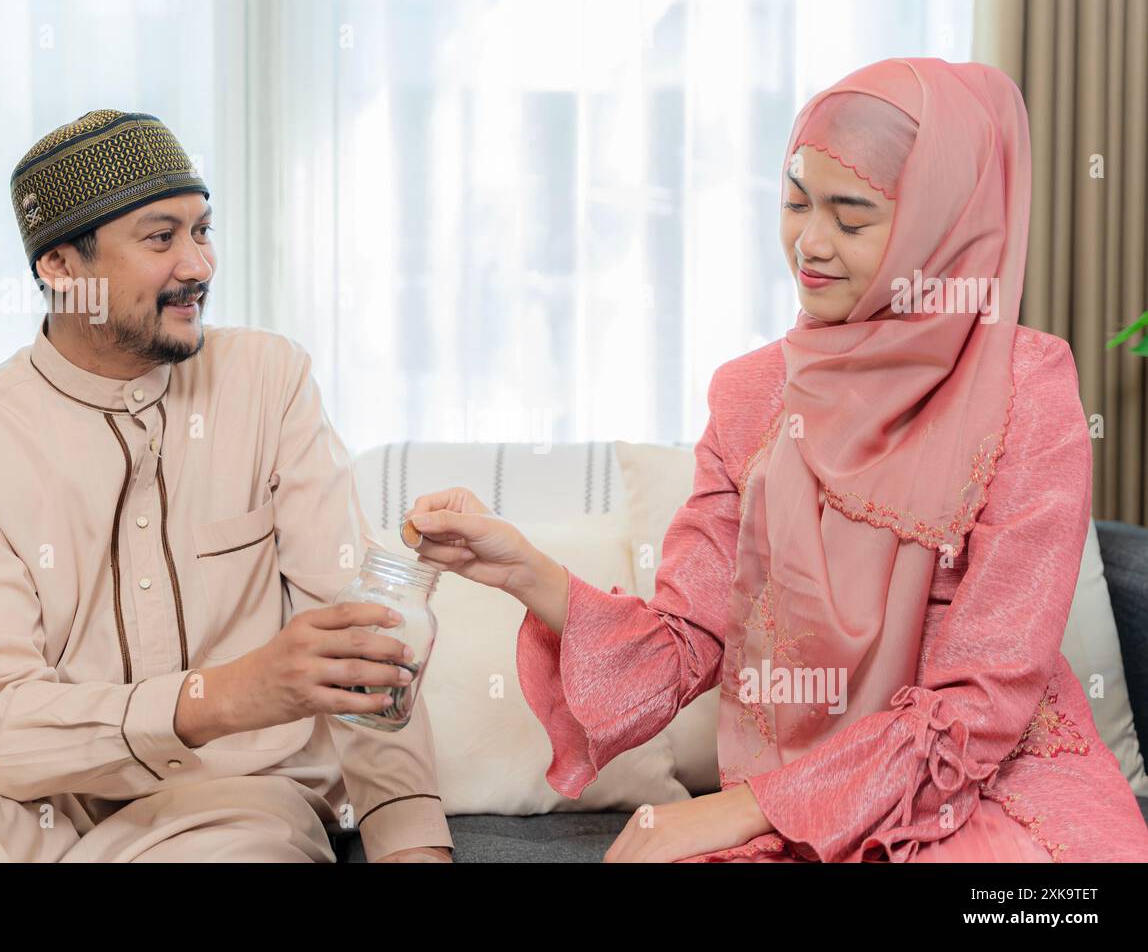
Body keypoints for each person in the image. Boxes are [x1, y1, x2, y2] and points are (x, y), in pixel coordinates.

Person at [402, 58, 1148, 863]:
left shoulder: (1026, 388)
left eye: (853, 219)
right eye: (795, 203)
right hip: (797, 800)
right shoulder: (751, 396)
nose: (810, 244)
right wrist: (523, 570)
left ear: (942, 222)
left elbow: (986, 698)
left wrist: (740, 811)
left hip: (992, 792)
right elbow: (684, 645)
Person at [0, 110, 453, 863]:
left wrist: (408, 845)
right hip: (15, 793)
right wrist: (230, 691)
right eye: (161, 238)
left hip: (226, 795)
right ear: (61, 269)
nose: (198, 265)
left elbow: (357, 633)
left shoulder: (269, 382)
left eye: (203, 231)